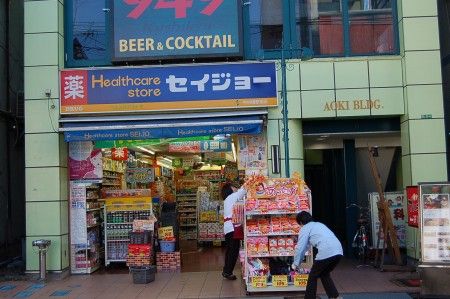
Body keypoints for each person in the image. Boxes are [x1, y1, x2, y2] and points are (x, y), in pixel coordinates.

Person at [292, 211, 343, 299]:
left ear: (300, 222)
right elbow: (306, 246)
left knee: (313, 276)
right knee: (324, 273)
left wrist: (296, 264)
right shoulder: (319, 224)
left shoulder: (305, 228)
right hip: (338, 251)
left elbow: (300, 248)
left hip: (326, 252)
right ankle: (334, 296)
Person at [221, 182, 246, 280]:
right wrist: (251, 180)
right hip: (232, 227)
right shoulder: (231, 197)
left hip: (228, 228)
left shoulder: (228, 199)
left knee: (230, 250)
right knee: (233, 250)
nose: (236, 188)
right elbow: (243, 190)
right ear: (230, 189)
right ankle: (228, 272)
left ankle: (226, 270)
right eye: (234, 187)